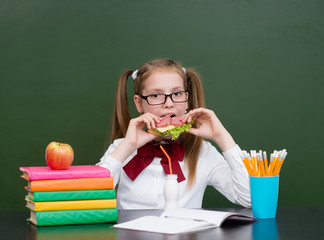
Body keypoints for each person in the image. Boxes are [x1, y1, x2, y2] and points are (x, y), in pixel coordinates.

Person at [97, 59, 251, 209]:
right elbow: (92, 196)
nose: (169, 103)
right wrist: (127, 147)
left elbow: (249, 199)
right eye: (156, 96)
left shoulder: (204, 153)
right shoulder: (120, 148)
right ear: (139, 103)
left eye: (177, 93)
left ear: (186, 101)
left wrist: (222, 136)